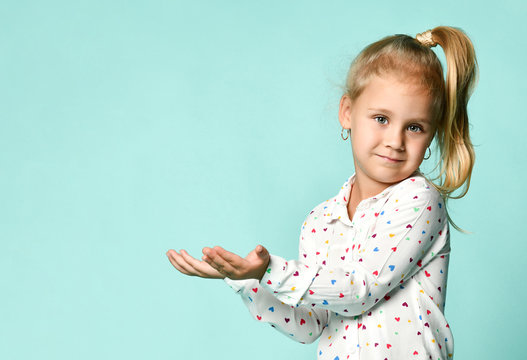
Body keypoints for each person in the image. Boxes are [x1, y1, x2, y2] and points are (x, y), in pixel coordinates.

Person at [166, 25, 478, 360]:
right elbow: (311, 325)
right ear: (348, 113)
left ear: (431, 136)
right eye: (381, 118)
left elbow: (362, 289)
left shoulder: (419, 200)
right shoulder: (320, 221)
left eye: (414, 127)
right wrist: (246, 280)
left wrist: (270, 270)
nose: (395, 141)